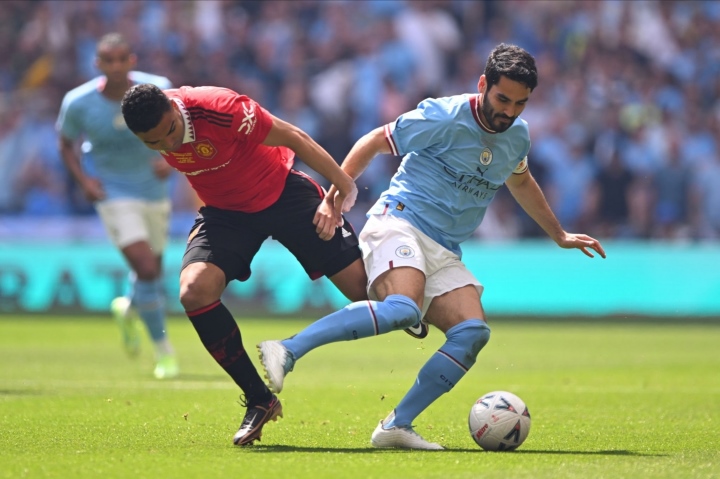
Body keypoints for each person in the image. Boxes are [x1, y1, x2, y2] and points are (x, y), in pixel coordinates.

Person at [257, 43, 606, 450]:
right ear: (482, 85)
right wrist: (335, 196)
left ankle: (395, 426)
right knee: (403, 309)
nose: (509, 112)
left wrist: (558, 234)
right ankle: (287, 349)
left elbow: (521, 182)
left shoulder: (517, 138)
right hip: (399, 221)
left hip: (444, 247)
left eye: (520, 104)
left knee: (472, 333)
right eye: (502, 99)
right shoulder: (445, 115)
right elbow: (373, 140)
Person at [120, 82, 370, 446]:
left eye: (170, 132)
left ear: (175, 110)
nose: (168, 146)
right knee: (194, 291)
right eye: (153, 143)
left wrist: (339, 190)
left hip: (283, 193)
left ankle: (425, 301)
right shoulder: (155, 130)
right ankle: (259, 399)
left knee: (369, 293)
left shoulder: (221, 109)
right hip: (225, 214)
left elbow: (296, 137)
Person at [57, 33, 179, 380]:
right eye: (107, 61)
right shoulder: (78, 102)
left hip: (154, 192)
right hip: (113, 193)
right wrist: (85, 181)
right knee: (147, 267)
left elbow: (182, 129)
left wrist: (171, 161)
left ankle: (129, 306)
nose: (114, 66)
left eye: (120, 59)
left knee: (152, 269)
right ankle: (164, 354)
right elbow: (65, 143)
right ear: (98, 65)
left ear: (131, 61)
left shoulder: (158, 89)